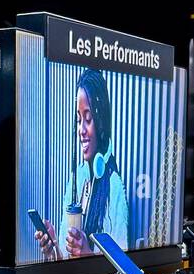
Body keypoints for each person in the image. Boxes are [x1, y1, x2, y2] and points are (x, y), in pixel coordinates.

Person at [35, 68, 129, 259]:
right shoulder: (76, 180)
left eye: (88, 119)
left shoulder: (114, 186)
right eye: (79, 120)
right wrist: (53, 249)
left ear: (101, 123)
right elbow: (65, 263)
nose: (81, 130)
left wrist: (87, 254)